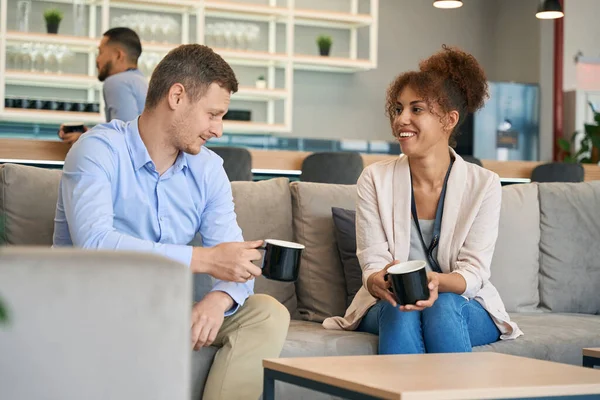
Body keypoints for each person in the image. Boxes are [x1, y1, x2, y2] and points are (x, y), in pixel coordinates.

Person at [53, 44, 290, 399]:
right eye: (212, 114)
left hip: (165, 308)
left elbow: (235, 258)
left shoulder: (208, 169)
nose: (218, 130)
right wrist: (207, 260)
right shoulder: (97, 150)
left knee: (267, 314)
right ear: (177, 96)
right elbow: (96, 244)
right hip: (97, 306)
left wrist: (218, 300)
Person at [323, 45, 523, 354]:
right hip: (388, 305)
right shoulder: (375, 179)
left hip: (462, 304)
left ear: (449, 120)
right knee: (401, 308)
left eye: (416, 109)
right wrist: (376, 279)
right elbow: (373, 262)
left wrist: (434, 282)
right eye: (398, 108)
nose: (401, 119)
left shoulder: (484, 185)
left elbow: (473, 273)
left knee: (441, 307)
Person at [58, 27, 148, 144]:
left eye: (100, 52)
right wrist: (89, 134)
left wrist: (85, 140)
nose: (97, 59)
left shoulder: (117, 81)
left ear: (118, 55)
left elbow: (124, 138)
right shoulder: (140, 81)